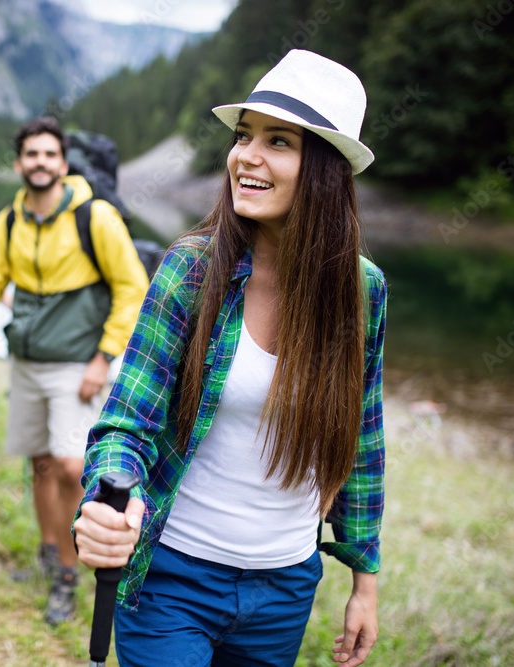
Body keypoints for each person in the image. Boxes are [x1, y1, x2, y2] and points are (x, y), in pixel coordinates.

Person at [73, 49, 386, 667]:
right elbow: (124, 424)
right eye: (243, 137)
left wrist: (363, 580)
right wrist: (107, 502)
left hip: (285, 588)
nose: (247, 156)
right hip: (173, 578)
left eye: (278, 142)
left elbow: (363, 435)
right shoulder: (191, 270)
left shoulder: (362, 290)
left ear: (324, 169)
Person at [0, 117, 150, 625]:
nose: (39, 163)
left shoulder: (94, 217)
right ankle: (47, 553)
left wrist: (103, 358)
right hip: (27, 363)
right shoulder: (10, 220)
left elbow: (132, 287)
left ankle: (68, 568)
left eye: (48, 154)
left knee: (67, 465)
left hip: (77, 364)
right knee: (39, 463)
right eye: (30, 155)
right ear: (19, 164)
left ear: (62, 163)